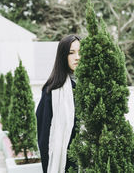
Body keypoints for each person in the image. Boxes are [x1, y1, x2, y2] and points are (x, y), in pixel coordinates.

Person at [36, 34, 81, 173]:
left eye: (81, 52)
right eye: (71, 53)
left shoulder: (92, 88)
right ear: (63, 56)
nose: (77, 57)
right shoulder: (52, 91)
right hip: (64, 163)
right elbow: (44, 137)